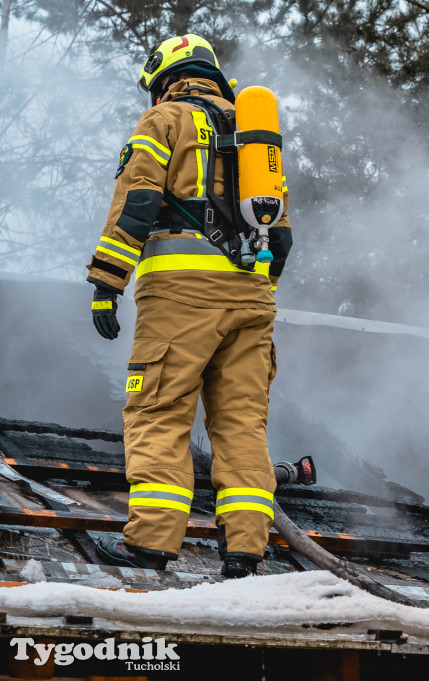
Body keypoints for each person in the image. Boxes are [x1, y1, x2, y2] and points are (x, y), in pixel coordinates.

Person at [86, 34, 292, 579]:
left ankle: (151, 545)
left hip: (180, 296)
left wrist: (108, 282)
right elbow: (283, 239)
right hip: (253, 299)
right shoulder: (256, 139)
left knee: (159, 412)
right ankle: (246, 553)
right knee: (243, 425)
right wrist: (253, 292)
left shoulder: (165, 121)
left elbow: (139, 202)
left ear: (163, 78)